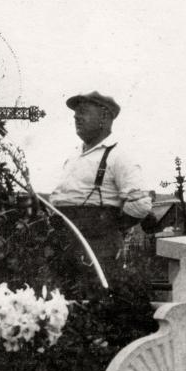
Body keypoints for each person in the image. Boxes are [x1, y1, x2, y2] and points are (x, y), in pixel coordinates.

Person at [49, 90, 152, 273]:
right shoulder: (73, 157)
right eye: (75, 113)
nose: (76, 117)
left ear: (104, 116)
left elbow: (141, 205)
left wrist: (108, 228)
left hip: (98, 251)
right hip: (64, 245)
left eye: (83, 112)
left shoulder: (119, 156)